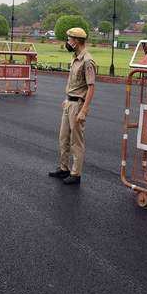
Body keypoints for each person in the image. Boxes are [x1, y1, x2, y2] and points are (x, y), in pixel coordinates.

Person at [48, 27, 96, 185]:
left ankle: (76, 174)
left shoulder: (87, 60)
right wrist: (67, 98)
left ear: (76, 41)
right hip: (69, 102)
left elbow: (91, 87)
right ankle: (64, 168)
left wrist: (84, 110)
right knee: (63, 138)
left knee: (76, 142)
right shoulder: (75, 58)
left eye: (69, 39)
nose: (67, 42)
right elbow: (74, 83)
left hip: (78, 105)